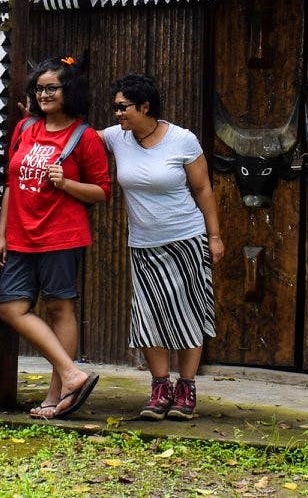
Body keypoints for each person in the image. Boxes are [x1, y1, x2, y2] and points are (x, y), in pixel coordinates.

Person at [101, 73, 224, 421]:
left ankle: (186, 388)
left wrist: (214, 236)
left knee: (188, 313)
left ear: (145, 106)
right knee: (149, 315)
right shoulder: (117, 137)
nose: (117, 114)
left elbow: (203, 190)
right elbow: (77, 139)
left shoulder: (182, 140)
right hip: (142, 245)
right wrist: (39, 116)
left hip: (186, 239)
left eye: (123, 107)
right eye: (115, 108)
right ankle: (159, 388)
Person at [0, 57, 109, 418]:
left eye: (52, 88)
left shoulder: (84, 136)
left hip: (62, 234)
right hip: (20, 235)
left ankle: (58, 394)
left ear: (68, 91)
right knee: (10, 308)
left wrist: (66, 183)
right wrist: (2, 234)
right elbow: (11, 183)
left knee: (59, 308)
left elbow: (101, 191)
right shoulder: (26, 128)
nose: (44, 94)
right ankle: (73, 374)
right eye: (40, 88)